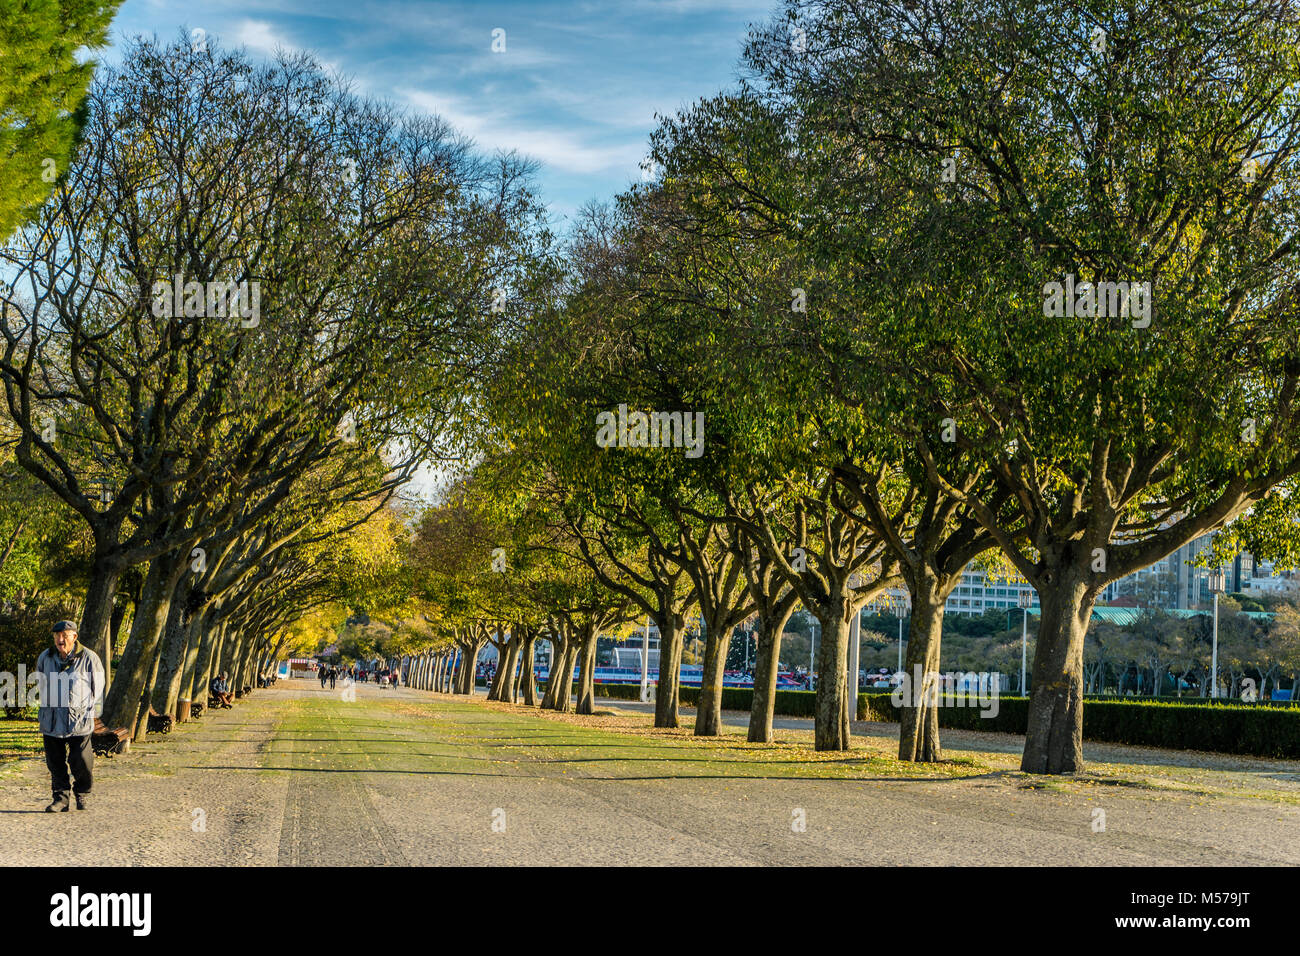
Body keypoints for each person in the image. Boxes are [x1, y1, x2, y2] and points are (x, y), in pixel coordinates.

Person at [36, 620, 104, 812]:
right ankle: (61, 798)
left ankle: (82, 793)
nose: (60, 639)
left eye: (65, 635)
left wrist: (90, 712)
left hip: (79, 720)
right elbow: (41, 683)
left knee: (81, 760)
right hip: (52, 720)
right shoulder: (46, 657)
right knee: (54, 762)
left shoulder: (89, 658)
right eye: (57, 635)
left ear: (74, 637)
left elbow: (97, 689)